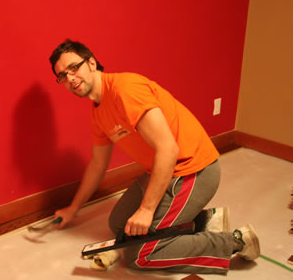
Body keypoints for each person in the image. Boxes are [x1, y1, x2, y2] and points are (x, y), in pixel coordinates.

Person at [49, 39, 260, 274]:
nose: (69, 78)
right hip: (162, 172)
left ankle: (236, 241)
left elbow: (168, 149)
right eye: (62, 76)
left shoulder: (125, 89)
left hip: (193, 171)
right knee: (118, 223)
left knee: (142, 256)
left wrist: (147, 210)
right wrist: (73, 208)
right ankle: (206, 221)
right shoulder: (98, 111)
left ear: (91, 63)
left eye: (73, 68)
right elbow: (98, 165)